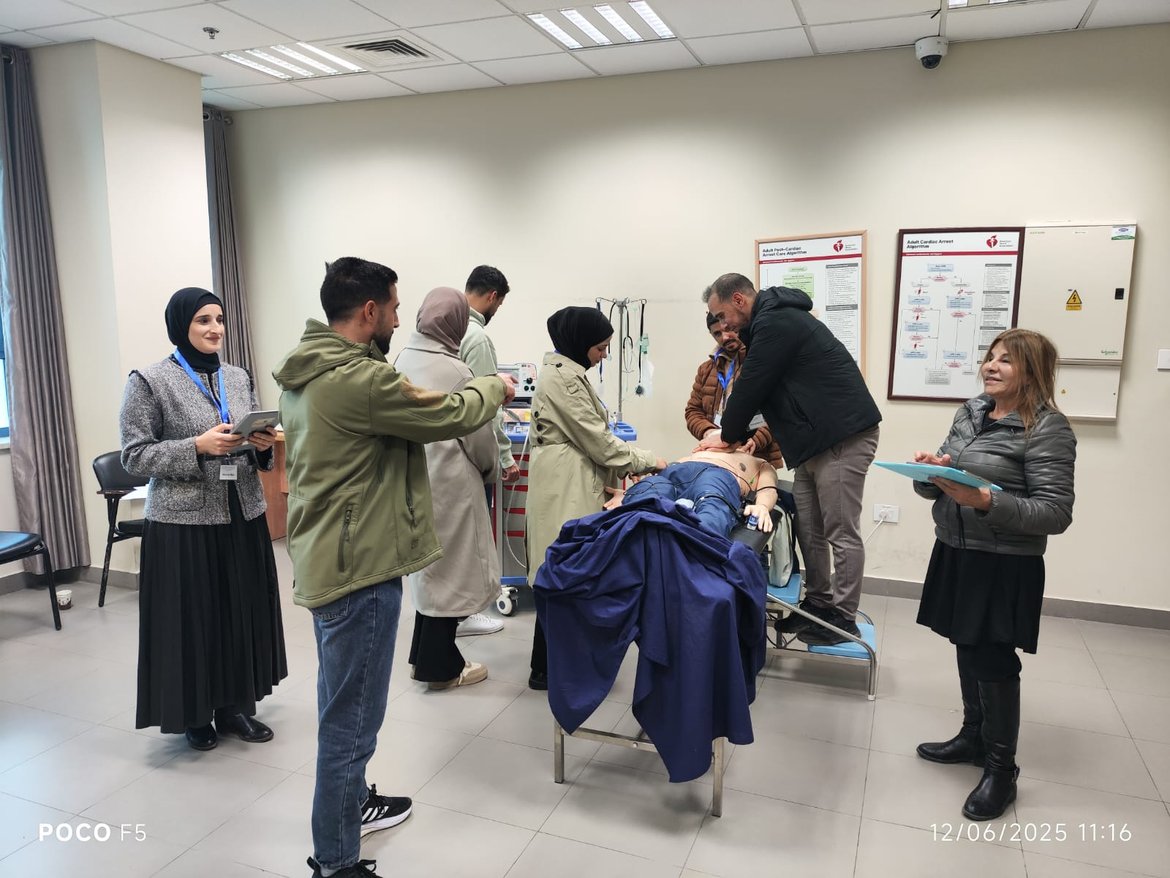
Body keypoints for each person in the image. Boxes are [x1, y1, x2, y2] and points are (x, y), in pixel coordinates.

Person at [272, 258, 514, 878]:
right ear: (370, 311)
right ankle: (336, 861)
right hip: (361, 567)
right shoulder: (358, 380)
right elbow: (450, 415)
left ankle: (354, 804)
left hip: (331, 556)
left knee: (341, 702)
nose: (401, 319)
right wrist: (494, 387)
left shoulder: (310, 370)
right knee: (351, 721)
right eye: (395, 307)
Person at [912, 328, 1075, 822]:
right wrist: (933, 473)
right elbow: (946, 481)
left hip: (1004, 560)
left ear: (1032, 371)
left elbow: (1055, 513)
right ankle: (974, 737)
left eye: (1006, 360)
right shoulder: (971, 412)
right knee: (966, 642)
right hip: (957, 547)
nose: (991, 366)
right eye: (990, 357)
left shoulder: (1047, 428)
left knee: (991, 655)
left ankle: (1002, 771)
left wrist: (986, 500)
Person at [120, 287, 287, 752]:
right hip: (183, 522)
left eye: (219, 319)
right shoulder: (149, 381)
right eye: (203, 320)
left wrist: (260, 445)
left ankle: (234, 706)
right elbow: (134, 455)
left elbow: (253, 440)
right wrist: (196, 446)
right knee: (194, 621)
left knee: (238, 614)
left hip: (241, 513)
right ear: (181, 326)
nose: (215, 329)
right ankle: (195, 714)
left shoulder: (237, 376)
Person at [704, 275, 881, 645]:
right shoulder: (764, 327)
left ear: (738, 300)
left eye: (721, 315)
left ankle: (843, 618)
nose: (722, 325)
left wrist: (727, 435)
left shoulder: (777, 321)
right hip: (813, 442)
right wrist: (740, 434)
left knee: (839, 530)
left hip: (842, 435)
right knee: (809, 528)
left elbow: (752, 386)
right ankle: (819, 604)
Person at [525, 306, 665, 690]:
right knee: (564, 573)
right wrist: (648, 461)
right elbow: (599, 442)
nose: (603, 355)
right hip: (565, 484)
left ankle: (551, 665)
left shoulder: (566, 373)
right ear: (580, 342)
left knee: (561, 571)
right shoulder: (565, 381)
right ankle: (550, 668)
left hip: (567, 477)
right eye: (600, 348)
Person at [394, 287, 500, 690]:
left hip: (412, 478)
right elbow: (478, 436)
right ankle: (440, 666)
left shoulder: (401, 360)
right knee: (453, 573)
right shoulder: (456, 371)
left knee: (428, 572)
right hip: (451, 482)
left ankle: (421, 656)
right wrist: (490, 469)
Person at [457, 264, 514, 637]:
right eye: (500, 304)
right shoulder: (477, 337)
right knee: (474, 536)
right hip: (472, 453)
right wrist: (504, 456)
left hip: (446, 450)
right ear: (493, 296)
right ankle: (467, 613)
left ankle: (455, 613)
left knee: (456, 537)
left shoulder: (447, 330)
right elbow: (487, 405)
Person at [685, 311, 784, 470]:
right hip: (716, 454)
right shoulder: (706, 369)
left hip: (756, 456)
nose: (725, 337)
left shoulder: (760, 362)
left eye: (728, 330)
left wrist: (754, 440)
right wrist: (709, 432)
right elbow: (693, 411)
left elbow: (777, 410)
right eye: (717, 333)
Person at [605, 448, 778, 538]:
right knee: (648, 497)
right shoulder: (704, 448)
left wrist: (762, 506)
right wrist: (630, 494)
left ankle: (683, 555)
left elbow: (768, 489)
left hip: (718, 475)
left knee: (711, 512)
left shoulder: (759, 462)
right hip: (675, 471)